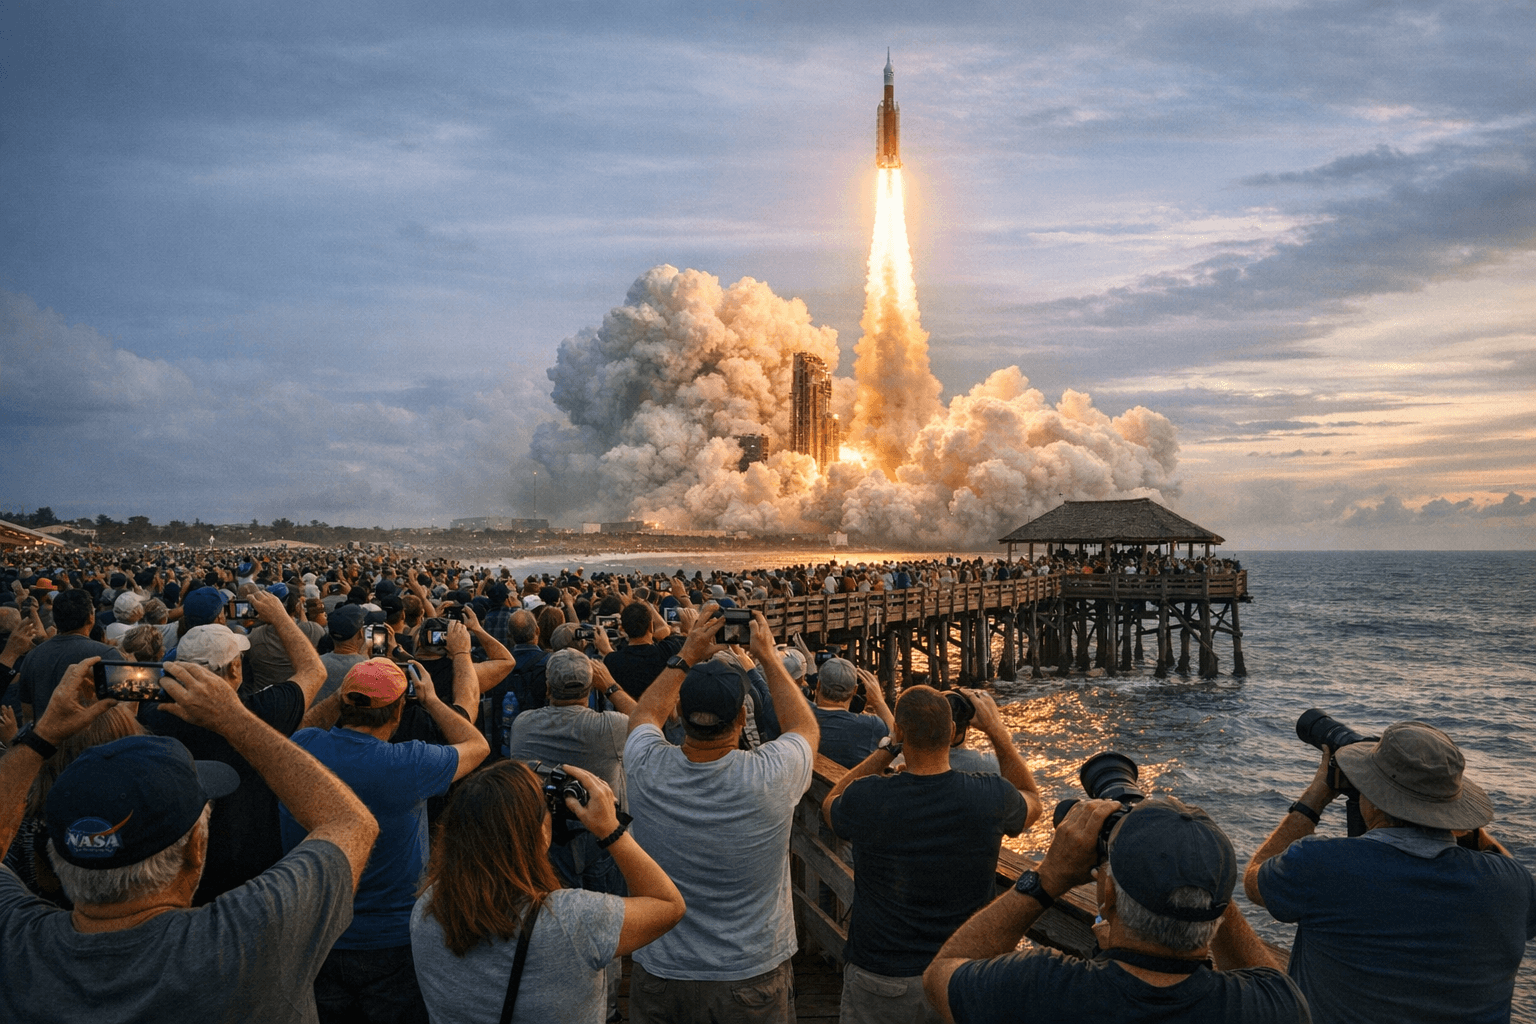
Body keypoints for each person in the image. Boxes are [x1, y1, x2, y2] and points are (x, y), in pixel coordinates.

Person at [0, 654, 379, 1023]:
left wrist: (42, 736)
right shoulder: (249, 936)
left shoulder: (16, 941)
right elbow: (350, 822)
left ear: (58, 854)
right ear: (196, 850)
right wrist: (234, 719)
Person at [1244, 719, 1536, 1023]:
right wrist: (1468, 829)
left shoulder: (1321, 865)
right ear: (1454, 808)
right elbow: (1517, 886)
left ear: (1372, 800)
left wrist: (1318, 793)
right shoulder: (1512, 885)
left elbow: (1254, 879)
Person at [925, 797, 1307, 1023]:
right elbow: (1269, 979)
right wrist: (1199, 866)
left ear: (1106, 897)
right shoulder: (1267, 1007)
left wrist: (1048, 878)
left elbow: (942, 971)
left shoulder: (1036, 986)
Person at [622, 606, 819, 1024]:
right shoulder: (771, 773)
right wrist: (766, 655)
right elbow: (804, 728)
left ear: (683, 713)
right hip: (749, 973)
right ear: (741, 717)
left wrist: (687, 653)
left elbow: (644, 716)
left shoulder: (646, 766)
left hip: (663, 968)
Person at [282, 656, 489, 1024]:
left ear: (345, 704)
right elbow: (477, 745)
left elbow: (295, 730)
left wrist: (347, 693)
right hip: (390, 938)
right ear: (397, 714)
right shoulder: (408, 763)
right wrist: (431, 700)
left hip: (314, 929)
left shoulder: (304, 746)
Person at [821, 686, 1039, 1024]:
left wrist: (889, 749)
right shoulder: (987, 795)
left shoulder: (868, 797)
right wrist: (998, 733)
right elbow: (1031, 800)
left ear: (901, 731)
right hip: (960, 976)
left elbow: (832, 801)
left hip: (882, 974)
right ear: (952, 732)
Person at [412, 760, 686, 1024]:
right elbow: (669, 904)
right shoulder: (572, 919)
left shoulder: (427, 907)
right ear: (542, 833)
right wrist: (610, 829)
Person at [138, 589, 327, 903]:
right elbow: (313, 671)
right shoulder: (264, 713)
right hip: (250, 862)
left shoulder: (153, 715)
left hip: (172, 866)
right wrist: (281, 617)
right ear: (235, 670)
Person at [14, 589, 114, 723]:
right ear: (91, 617)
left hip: (45, 738)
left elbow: (27, 713)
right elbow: (124, 708)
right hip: (96, 739)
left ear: (55, 619)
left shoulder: (33, 655)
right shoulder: (107, 654)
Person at [808, 657, 892, 768]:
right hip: (850, 784)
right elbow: (899, 738)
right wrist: (878, 701)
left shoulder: (799, 715)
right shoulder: (872, 725)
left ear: (818, 685)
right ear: (855, 690)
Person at [603, 599, 683, 699]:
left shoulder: (612, 660)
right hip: (663, 711)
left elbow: (610, 657)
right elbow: (665, 628)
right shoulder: (668, 650)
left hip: (627, 712)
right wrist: (650, 606)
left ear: (622, 628)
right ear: (651, 626)